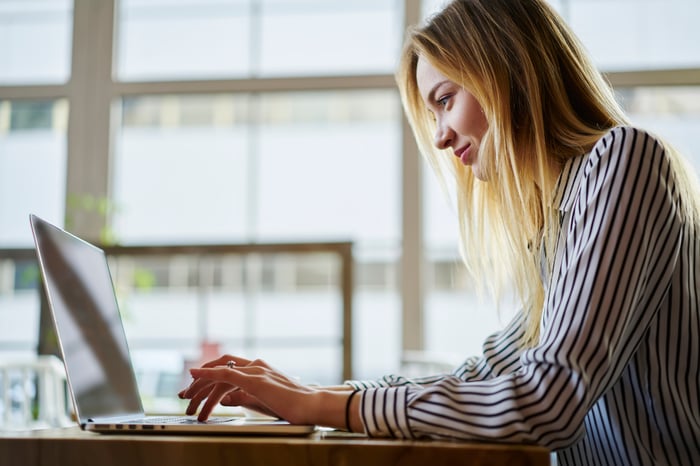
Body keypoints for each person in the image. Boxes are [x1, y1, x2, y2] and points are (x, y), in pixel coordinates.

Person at [178, 0, 700, 464]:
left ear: (509, 71)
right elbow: (487, 373)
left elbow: (545, 399)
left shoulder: (622, 160)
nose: (441, 135)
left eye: (445, 100)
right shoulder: (560, 221)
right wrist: (307, 390)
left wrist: (320, 405)